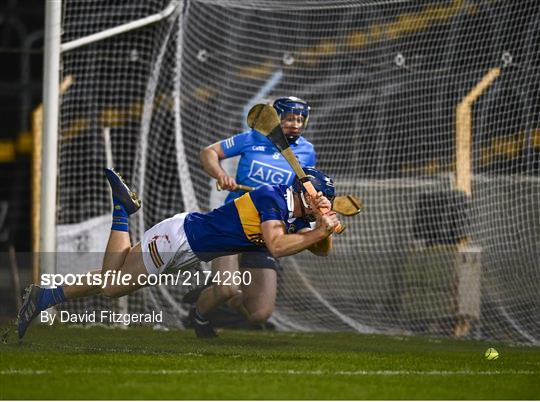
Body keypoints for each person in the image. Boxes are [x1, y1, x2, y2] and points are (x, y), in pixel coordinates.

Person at [16, 167, 340, 340]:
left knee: (110, 277)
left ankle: (44, 297)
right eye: (324, 199)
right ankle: (121, 208)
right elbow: (278, 246)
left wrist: (322, 230)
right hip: (181, 240)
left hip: (191, 245)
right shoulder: (273, 198)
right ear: (309, 194)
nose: (325, 205)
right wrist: (320, 230)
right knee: (113, 285)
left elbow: (320, 249)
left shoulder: (295, 215)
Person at [195, 97, 316, 336]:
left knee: (259, 313)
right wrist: (221, 175)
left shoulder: (307, 151)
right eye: (290, 118)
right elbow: (208, 152)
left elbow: (304, 189)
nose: (295, 124)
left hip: (267, 230)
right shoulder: (251, 138)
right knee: (228, 289)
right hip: (233, 222)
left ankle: (224, 294)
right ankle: (199, 317)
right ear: (276, 117)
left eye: (300, 119)